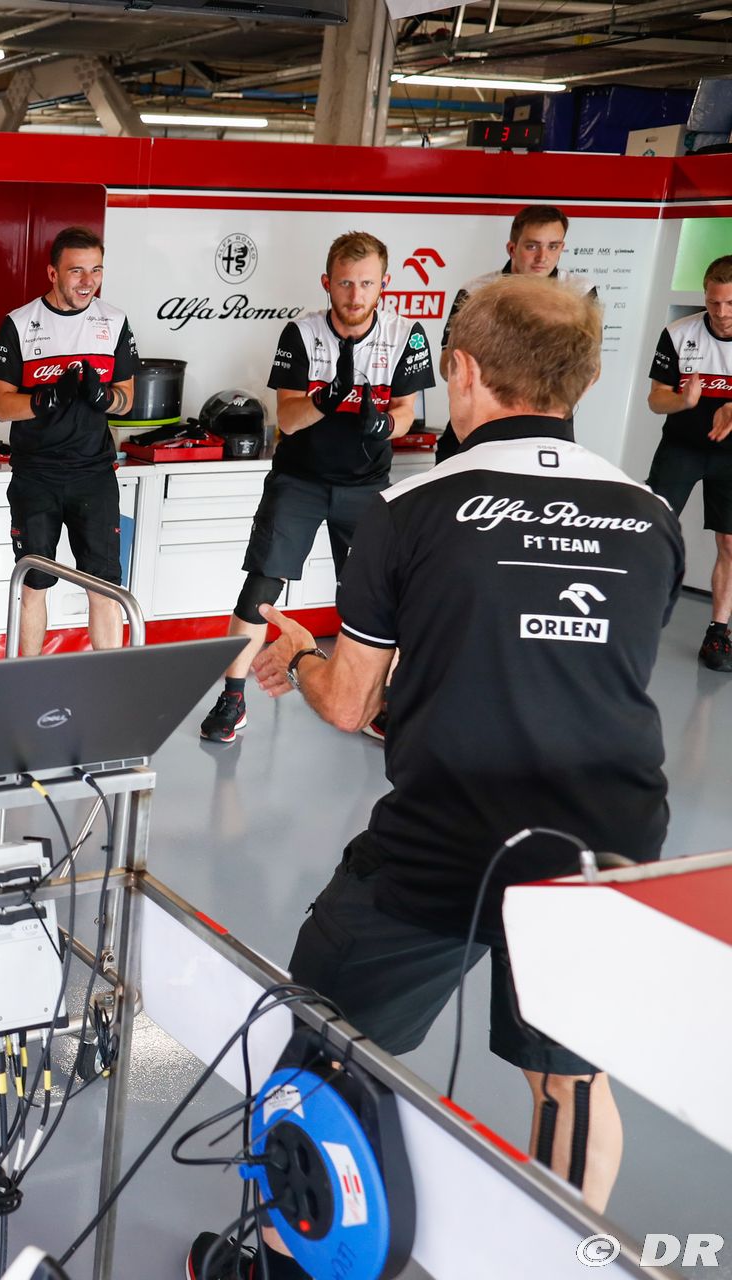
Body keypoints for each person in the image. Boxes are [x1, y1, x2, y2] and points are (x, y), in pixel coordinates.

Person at [187, 275, 682, 1279]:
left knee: (324, 1035)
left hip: (448, 830)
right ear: (587, 379)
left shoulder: (412, 509)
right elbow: (556, 665)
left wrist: (302, 652)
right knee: (572, 1081)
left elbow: (347, 703)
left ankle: (283, 1262)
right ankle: (555, 1265)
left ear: (459, 368)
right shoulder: (651, 514)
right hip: (607, 838)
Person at [198, 231, 433, 745]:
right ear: (327, 282)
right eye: (345, 283)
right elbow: (287, 417)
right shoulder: (300, 334)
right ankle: (232, 699)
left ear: (385, 284)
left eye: (366, 283)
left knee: (375, 597)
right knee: (261, 588)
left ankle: (379, 700)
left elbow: (405, 414)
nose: (355, 294)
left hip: (366, 486)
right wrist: (324, 401)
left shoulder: (406, 334)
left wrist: (382, 425)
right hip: (299, 480)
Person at [0, 226, 139, 656]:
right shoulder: (18, 323)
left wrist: (104, 397)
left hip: (94, 474)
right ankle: (27, 680)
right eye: (77, 271)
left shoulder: (114, 321)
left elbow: (126, 399)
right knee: (34, 585)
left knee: (104, 587)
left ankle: (107, 683)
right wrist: (43, 400)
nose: (88, 281)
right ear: (52, 273)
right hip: (36, 476)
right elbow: (2, 406)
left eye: (96, 270)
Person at [435, 204, 598, 461]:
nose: (542, 257)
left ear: (562, 247)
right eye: (532, 246)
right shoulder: (476, 291)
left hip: (549, 425)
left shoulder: (579, 291)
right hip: (482, 418)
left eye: (553, 246)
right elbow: (448, 367)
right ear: (512, 248)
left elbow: (590, 368)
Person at [645, 253, 732, 673]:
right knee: (651, 528)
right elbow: (655, 399)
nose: (722, 312)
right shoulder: (679, 333)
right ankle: (635, 613)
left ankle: (718, 631)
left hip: (731, 457)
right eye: (714, 302)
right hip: (681, 448)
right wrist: (684, 400)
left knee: (730, 543)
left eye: (730, 303)